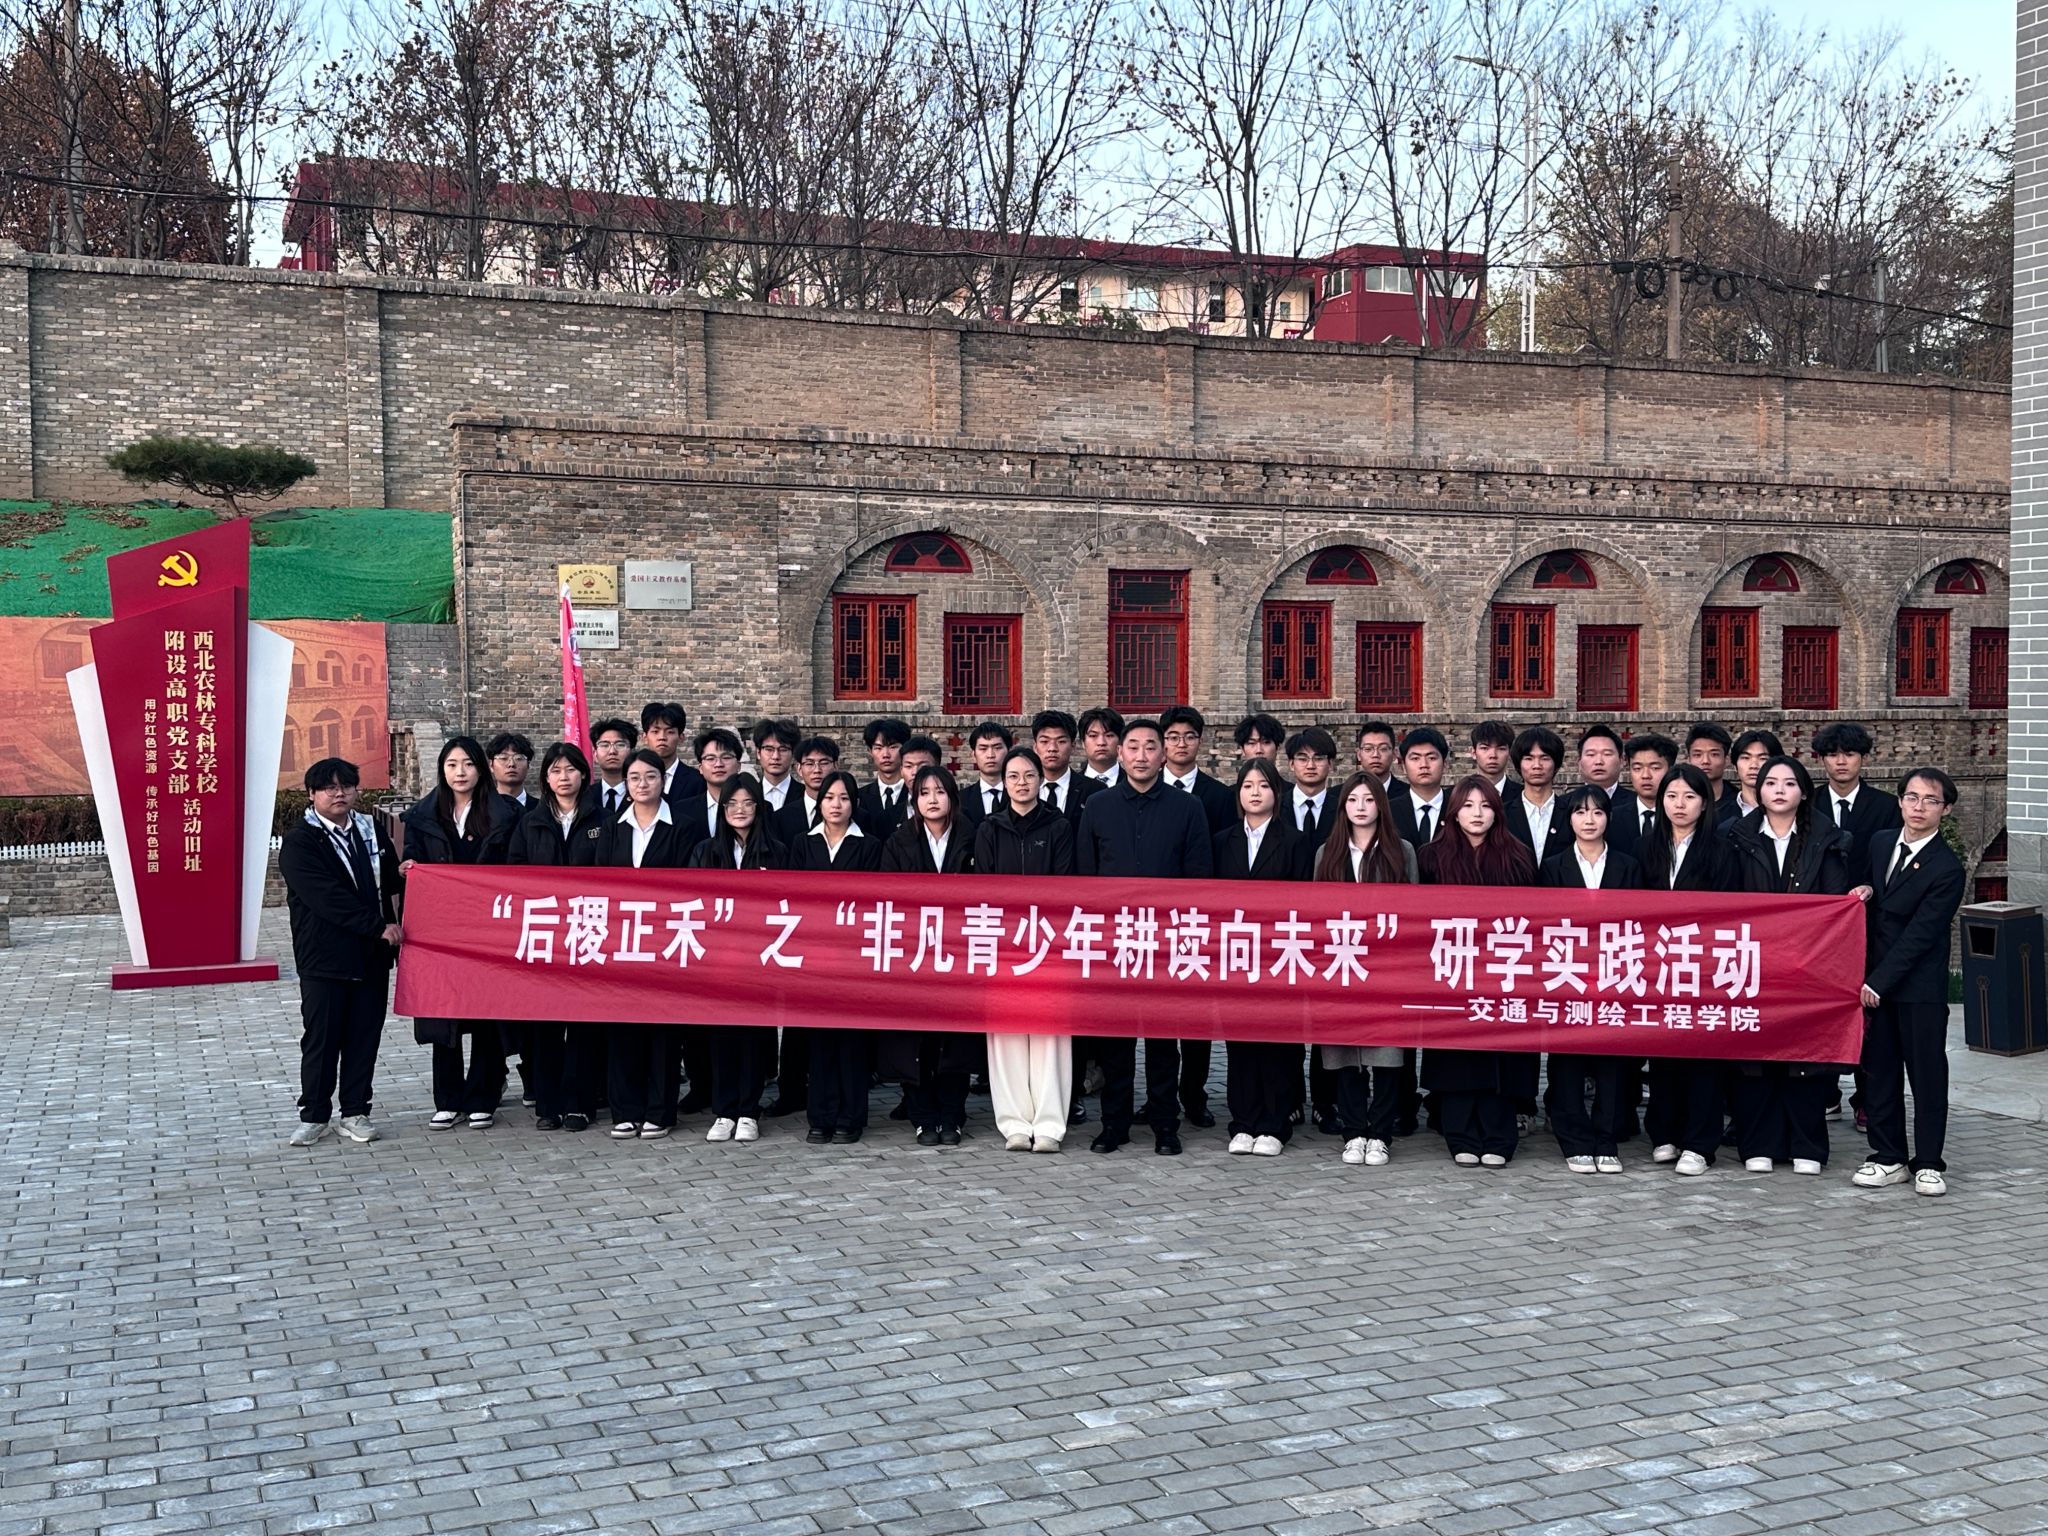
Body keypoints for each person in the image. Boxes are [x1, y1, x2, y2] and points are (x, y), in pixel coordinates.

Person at [1075, 718, 1213, 1154]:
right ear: (1120, 753)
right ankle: (1113, 1125)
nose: (1141, 755)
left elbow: (1199, 878)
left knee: (1163, 1044)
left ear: (1163, 754)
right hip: (1114, 942)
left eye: (1150, 747)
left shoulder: (1187, 807)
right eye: (1132, 747)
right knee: (1115, 1044)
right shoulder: (1098, 806)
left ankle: (1165, 1126)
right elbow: (1085, 877)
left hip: (1167, 943)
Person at [1721, 754, 1851, 1174]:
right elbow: (1724, 902)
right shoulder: (1735, 837)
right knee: (1754, 1058)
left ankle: (1806, 1146)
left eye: (1789, 783)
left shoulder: (1828, 839)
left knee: (1804, 1060)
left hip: (1807, 968)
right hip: (1750, 965)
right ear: (1758, 791)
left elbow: (1834, 903)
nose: (1779, 790)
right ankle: (1759, 1143)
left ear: (1804, 792)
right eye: (1771, 783)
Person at [1854, 768, 1966, 1197]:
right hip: (1874, 983)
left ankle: (1929, 1163)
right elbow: (1874, 897)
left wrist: (1879, 982)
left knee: (1926, 1075)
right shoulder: (1881, 842)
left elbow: (1921, 934)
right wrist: (1865, 888)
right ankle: (1888, 1157)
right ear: (1900, 801)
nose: (1919, 807)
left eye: (1930, 800)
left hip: (1918, 988)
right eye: (1912, 797)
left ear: (1946, 809)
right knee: (1879, 1073)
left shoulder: (1947, 867)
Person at [1416, 776, 1539, 1167]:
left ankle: (1499, 1136)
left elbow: (1533, 918)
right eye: (1468, 806)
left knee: (1499, 1054)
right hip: (1451, 971)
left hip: (1503, 970)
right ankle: (1461, 1135)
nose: (1477, 814)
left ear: (1497, 812)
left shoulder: (1518, 856)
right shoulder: (1430, 857)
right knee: (1456, 1056)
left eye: (1485, 806)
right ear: (1454, 812)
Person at [279, 757, 401, 1146]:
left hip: (371, 956)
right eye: (329, 787)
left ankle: (355, 1111)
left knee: (364, 1037)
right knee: (322, 1039)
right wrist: (378, 927)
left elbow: (391, 879)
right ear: (311, 794)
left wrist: (411, 872)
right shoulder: (301, 841)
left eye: (346, 786)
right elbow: (327, 898)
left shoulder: (370, 830)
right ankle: (314, 1115)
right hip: (324, 958)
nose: (339, 793)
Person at [401, 736, 516, 1129]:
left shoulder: (504, 814)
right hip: (440, 930)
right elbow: (411, 857)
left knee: (486, 1012)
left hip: (489, 928)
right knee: (443, 1012)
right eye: (452, 765)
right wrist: (408, 867)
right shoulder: (423, 815)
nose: (460, 772)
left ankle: (483, 1095)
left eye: (467, 764)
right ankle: (447, 1098)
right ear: (442, 770)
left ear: (481, 769)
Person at [975, 747, 1078, 1152]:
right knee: (1007, 1036)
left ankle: (1050, 1124)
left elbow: (1065, 885)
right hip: (1002, 944)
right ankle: (1015, 1123)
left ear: (1041, 779)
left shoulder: (1059, 826)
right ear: (1003, 783)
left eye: (1029, 775)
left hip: (1048, 944)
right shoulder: (989, 829)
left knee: (1051, 1035)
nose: (1022, 783)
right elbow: (983, 889)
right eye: (1014, 776)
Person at [1538, 786, 1644, 1174]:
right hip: (1567, 974)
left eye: (1597, 812)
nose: (1589, 820)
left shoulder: (1628, 865)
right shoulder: (1553, 866)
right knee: (1567, 1060)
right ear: (1569, 819)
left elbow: (1639, 922)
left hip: (1615, 972)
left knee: (1611, 1062)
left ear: (1609, 818)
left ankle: (1606, 1138)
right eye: (1580, 812)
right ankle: (1574, 1139)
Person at [1312, 772, 1416, 1167]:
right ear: (1343, 808)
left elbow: (1414, 913)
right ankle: (1354, 1131)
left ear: (1380, 806)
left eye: (1368, 800)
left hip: (1387, 967)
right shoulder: (1328, 853)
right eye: (1353, 800)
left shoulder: (1401, 851)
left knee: (1387, 1055)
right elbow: (1316, 915)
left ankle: (1381, 1133)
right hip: (1342, 965)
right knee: (1345, 1054)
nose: (1360, 807)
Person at [1638, 763, 1736, 1177]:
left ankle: (1700, 1143)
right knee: (1663, 1053)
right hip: (1656, 966)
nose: (1680, 805)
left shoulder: (1722, 849)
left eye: (1690, 797)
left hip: (1704, 966)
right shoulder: (1647, 846)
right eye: (1672, 796)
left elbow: (1729, 911)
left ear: (1705, 803)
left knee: (1703, 1057)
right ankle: (1664, 1133)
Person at [594, 747, 695, 1140]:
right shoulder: (611, 827)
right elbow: (600, 884)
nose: (642, 784)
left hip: (666, 941)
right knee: (623, 1029)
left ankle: (659, 1110)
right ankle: (625, 1109)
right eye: (634, 778)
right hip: (621, 942)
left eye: (650, 776)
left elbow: (689, 886)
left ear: (663, 781)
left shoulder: (683, 827)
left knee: (662, 1032)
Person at [881, 765, 983, 1146]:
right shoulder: (899, 842)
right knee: (917, 1039)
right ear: (915, 801)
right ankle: (923, 1116)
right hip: (915, 955)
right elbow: (888, 897)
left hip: (960, 953)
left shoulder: (973, 836)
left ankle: (953, 1114)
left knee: (955, 1038)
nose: (933, 800)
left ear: (952, 798)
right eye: (924, 793)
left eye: (940, 792)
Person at [1214, 759, 1310, 1157]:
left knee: (1277, 1043)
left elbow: (1305, 903)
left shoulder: (1296, 842)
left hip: (1280, 954)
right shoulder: (1222, 840)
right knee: (1240, 1043)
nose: (1255, 793)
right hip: (1236, 954)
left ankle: (1275, 1123)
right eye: (1248, 786)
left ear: (1277, 792)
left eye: (1264, 785)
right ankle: (1243, 1121)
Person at [507, 742, 605, 1130]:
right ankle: (548, 1105)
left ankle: (580, 1103)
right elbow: (515, 873)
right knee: (545, 1025)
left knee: (583, 1025)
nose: (564, 777)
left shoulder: (604, 819)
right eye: (555, 771)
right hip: (545, 934)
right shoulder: (530, 822)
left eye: (570, 770)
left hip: (588, 932)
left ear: (584, 774)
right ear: (546, 778)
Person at [687, 774, 788, 1142]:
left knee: (753, 1038)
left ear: (758, 808)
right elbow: (694, 901)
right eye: (732, 804)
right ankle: (724, 1111)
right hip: (718, 961)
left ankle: (748, 1110)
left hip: (760, 960)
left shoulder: (777, 852)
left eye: (747, 803)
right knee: (722, 1037)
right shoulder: (706, 852)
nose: (740, 810)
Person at [796, 768, 884, 1143]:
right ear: (819, 803)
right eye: (830, 798)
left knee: (851, 1042)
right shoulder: (803, 844)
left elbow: (876, 901)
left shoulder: (870, 846)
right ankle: (821, 1116)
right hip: (814, 958)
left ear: (854, 804)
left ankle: (851, 1117)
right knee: (820, 1043)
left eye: (844, 798)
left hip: (854, 958)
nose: (836, 805)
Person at [1813, 721, 1901, 889]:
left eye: (1849, 754)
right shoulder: (1808, 804)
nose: (1841, 762)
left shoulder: (1888, 807)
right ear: (1821, 760)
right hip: (1819, 897)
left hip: (1869, 897)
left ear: (1864, 758)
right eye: (1832, 755)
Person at [1160, 705, 1235, 834]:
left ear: (1200, 741)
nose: (1182, 744)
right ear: (1162, 742)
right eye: (1173, 738)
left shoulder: (1221, 795)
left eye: (1190, 737)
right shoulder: (1147, 788)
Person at [1503, 726, 1568, 865]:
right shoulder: (1502, 814)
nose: (1537, 765)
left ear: (1556, 764)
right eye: (1529, 758)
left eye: (1544, 758)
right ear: (1518, 765)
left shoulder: (1570, 813)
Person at [1608, 732, 1676, 860]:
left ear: (1671, 770)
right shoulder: (1613, 819)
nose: (1645, 776)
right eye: (1637, 768)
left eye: (1655, 768)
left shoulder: (1680, 815)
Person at [1031, 709, 1100, 829]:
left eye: (1061, 741)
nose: (1052, 748)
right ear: (1035, 747)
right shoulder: (1020, 789)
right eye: (1044, 741)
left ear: (1073, 746)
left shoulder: (1094, 791)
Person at [641, 702, 706, 816]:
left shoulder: (697, 781)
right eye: (655, 731)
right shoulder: (633, 780)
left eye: (670, 732)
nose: (662, 737)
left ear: (681, 737)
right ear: (644, 737)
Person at [1390, 727, 1449, 847]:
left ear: (1445, 765)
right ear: (1403, 767)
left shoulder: (1458, 807)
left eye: (1431, 758)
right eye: (1415, 758)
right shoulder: (1389, 811)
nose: (1424, 765)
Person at [856, 717, 913, 838]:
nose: (885, 755)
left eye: (893, 747)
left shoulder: (915, 794)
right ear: (870, 751)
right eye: (878, 748)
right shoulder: (859, 797)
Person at [685, 727, 743, 844]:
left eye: (726, 757)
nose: (718, 764)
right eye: (710, 758)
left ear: (738, 766)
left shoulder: (760, 808)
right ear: (700, 768)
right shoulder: (683, 810)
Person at [1285, 727, 1338, 843]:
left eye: (1318, 759)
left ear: (1330, 764)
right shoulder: (1275, 807)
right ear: (1291, 764)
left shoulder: (1342, 809)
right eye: (1302, 759)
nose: (1310, 766)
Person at [958, 720, 1015, 826]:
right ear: (973, 755)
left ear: (1009, 752)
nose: (990, 755)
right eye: (983, 749)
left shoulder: (1021, 794)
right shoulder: (960, 800)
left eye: (997, 748)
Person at [751, 717, 802, 829]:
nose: (775, 756)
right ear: (758, 753)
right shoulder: (749, 795)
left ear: (793, 754)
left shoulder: (805, 796)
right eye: (769, 749)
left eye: (783, 749)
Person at [1685, 723, 1740, 822]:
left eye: (1714, 754)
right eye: (1698, 755)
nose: (1705, 761)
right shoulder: (1677, 803)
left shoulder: (1739, 803)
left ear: (1727, 759)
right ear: (1689, 760)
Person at [1726, 729, 1784, 823]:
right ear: (1735, 766)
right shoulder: (1719, 814)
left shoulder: (1790, 810)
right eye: (1746, 758)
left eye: (1763, 758)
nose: (1753, 766)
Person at [587, 717, 637, 817]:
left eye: (620, 745)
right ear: (595, 754)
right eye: (605, 745)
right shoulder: (585, 796)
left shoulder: (642, 793)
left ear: (632, 753)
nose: (612, 751)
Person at [1355, 721, 1405, 798]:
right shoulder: (1340, 794)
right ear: (1359, 755)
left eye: (1383, 749)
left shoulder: (1409, 794)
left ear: (1394, 754)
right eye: (1368, 749)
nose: (1375, 755)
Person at [1575, 725, 1625, 800]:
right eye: (1591, 754)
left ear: (1621, 761)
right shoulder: (1564, 804)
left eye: (1607, 754)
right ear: (1579, 762)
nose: (1598, 761)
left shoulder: (1638, 803)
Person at [1470, 720, 1518, 798]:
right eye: (1485, 748)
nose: (1493, 755)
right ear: (1473, 753)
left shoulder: (1524, 796)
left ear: (1509, 753)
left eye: (1501, 749)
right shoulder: (1455, 795)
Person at [485, 731, 534, 807]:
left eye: (518, 758)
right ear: (491, 765)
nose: (511, 764)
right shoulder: (480, 808)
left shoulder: (543, 810)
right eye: (503, 758)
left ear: (528, 765)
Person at [1078, 707, 1125, 784]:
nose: (1101, 742)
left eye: (1109, 735)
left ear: (1120, 741)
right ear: (1083, 742)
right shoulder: (1070, 785)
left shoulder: (1135, 784)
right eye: (1093, 735)